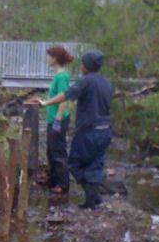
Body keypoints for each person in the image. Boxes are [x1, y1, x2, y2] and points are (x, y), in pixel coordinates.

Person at [28, 50, 113, 209]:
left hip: (89, 131)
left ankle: (91, 194)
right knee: (95, 163)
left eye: (82, 64)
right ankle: (93, 198)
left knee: (74, 162)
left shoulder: (86, 81)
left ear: (87, 66)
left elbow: (65, 96)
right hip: (106, 130)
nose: (81, 66)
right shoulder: (106, 83)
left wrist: (46, 103)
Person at [44, 45, 74, 195]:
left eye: (49, 56)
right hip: (53, 119)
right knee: (51, 151)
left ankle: (63, 185)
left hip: (58, 120)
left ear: (55, 58)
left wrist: (57, 119)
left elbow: (64, 99)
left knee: (58, 152)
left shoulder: (62, 76)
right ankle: (55, 181)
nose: (46, 58)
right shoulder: (58, 76)